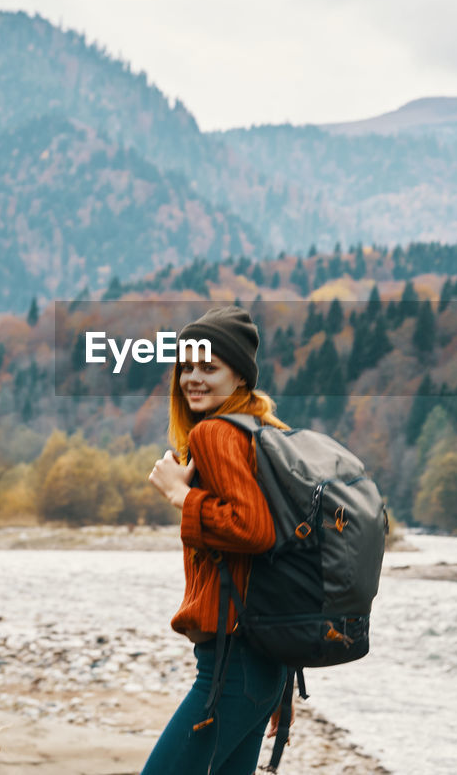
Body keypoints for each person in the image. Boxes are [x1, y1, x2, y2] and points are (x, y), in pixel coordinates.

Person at [141, 306, 291, 775]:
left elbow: (253, 530)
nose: (193, 378)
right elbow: (275, 564)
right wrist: (279, 686)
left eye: (210, 367)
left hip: (231, 669)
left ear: (240, 377)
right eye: (187, 366)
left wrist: (180, 496)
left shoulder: (216, 434)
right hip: (260, 665)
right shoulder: (262, 434)